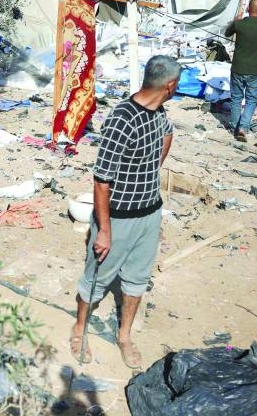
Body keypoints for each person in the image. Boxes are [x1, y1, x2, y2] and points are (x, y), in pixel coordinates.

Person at [69, 55, 179, 370]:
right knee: (97, 278)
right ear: (169, 86)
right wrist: (104, 230)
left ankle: (125, 335)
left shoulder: (160, 114)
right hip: (117, 218)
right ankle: (79, 329)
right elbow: (101, 181)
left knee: (136, 280)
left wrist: (152, 167)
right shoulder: (122, 118)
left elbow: (168, 133)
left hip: (149, 214)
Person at [225, 0, 257, 142]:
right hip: (256, 69)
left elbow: (227, 33)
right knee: (251, 99)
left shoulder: (240, 24)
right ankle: (243, 128)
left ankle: (234, 126)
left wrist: (235, 21)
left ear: (248, 9)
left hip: (238, 67)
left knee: (236, 98)